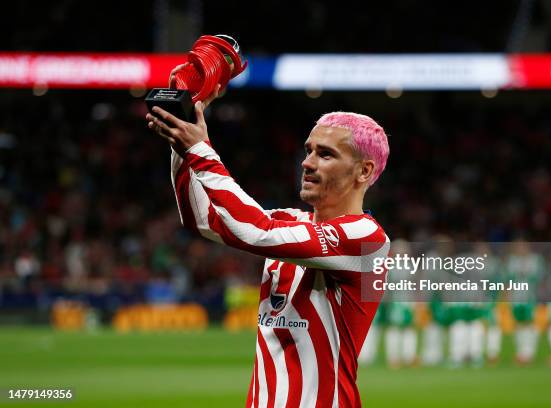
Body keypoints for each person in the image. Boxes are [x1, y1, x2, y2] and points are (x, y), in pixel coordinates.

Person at [146, 85, 390, 407]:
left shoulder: (366, 240)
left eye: (326, 154)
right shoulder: (290, 220)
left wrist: (201, 150)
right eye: (309, 150)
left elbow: (256, 231)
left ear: (364, 171)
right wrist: (182, 134)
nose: (308, 162)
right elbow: (203, 218)